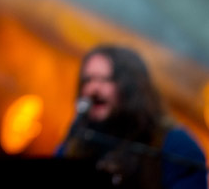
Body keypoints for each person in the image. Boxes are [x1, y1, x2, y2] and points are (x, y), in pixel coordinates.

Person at [56, 44, 207, 189]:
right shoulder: (81, 133)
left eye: (104, 79)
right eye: (87, 80)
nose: (93, 89)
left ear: (131, 88)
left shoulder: (175, 144)